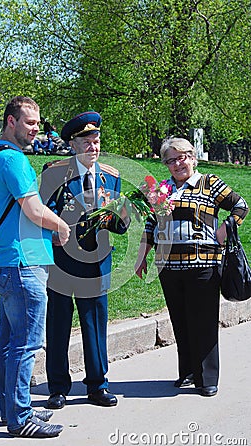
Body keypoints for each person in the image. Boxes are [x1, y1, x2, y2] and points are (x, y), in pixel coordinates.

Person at [135, 137, 249, 397]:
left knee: (204, 320)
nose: (177, 164)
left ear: (192, 157)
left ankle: (207, 377)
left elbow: (240, 206)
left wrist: (223, 231)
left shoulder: (208, 183)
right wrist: (142, 257)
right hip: (168, 266)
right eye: (171, 160)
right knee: (181, 320)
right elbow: (152, 223)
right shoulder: (160, 189)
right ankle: (187, 372)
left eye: (182, 157)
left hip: (203, 264)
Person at [0, 96, 70, 438]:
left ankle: (12, 408)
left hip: (8, 264)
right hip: (23, 264)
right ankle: (20, 419)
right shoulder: (13, 160)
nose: (35, 128)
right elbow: (34, 211)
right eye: (29, 122)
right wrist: (61, 225)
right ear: (11, 122)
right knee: (26, 343)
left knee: (8, 341)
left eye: (37, 122)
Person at [40, 111, 130, 409]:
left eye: (97, 141)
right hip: (62, 262)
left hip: (96, 261)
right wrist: (55, 231)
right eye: (87, 142)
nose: (94, 147)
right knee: (58, 322)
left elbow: (118, 224)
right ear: (73, 144)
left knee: (94, 323)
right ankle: (57, 387)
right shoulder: (54, 173)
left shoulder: (111, 175)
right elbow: (42, 215)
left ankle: (97, 384)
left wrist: (122, 215)